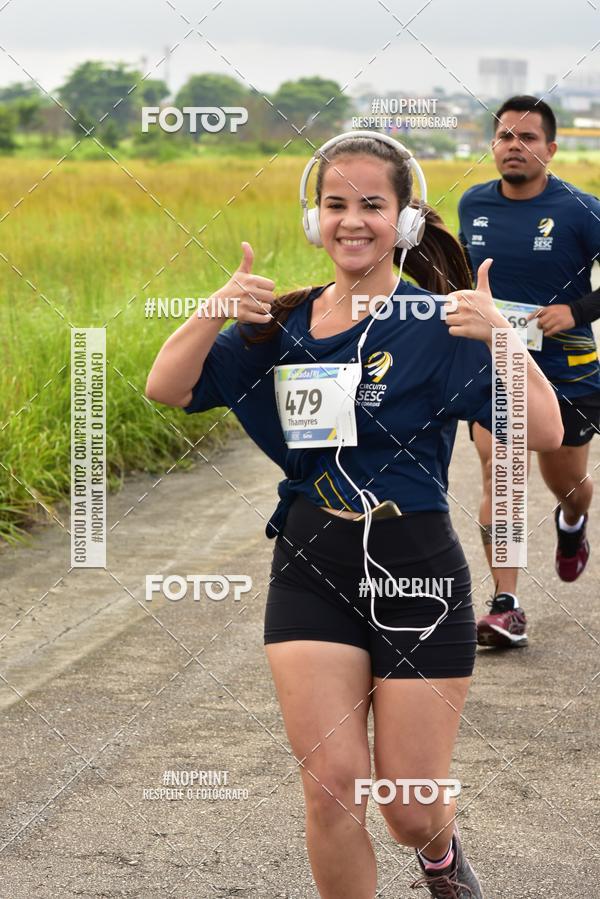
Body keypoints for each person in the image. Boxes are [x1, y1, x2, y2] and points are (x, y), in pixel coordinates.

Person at [146, 131, 562, 899]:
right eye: (335, 203)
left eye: (373, 204)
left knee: (406, 805)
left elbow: (546, 432)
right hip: (310, 564)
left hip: (417, 572)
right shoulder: (284, 327)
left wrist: (505, 338)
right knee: (333, 788)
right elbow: (167, 387)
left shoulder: (443, 324)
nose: (352, 220)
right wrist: (214, 309)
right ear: (314, 218)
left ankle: (438, 854)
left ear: (405, 220)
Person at [458, 95, 600, 649]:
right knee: (500, 470)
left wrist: (579, 309)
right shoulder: (473, 204)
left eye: (527, 138)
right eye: (504, 137)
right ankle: (505, 605)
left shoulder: (582, 209)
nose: (513, 147)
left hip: (567, 369)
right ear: (492, 146)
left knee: (567, 483)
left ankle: (572, 524)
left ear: (551, 149)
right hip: (493, 365)